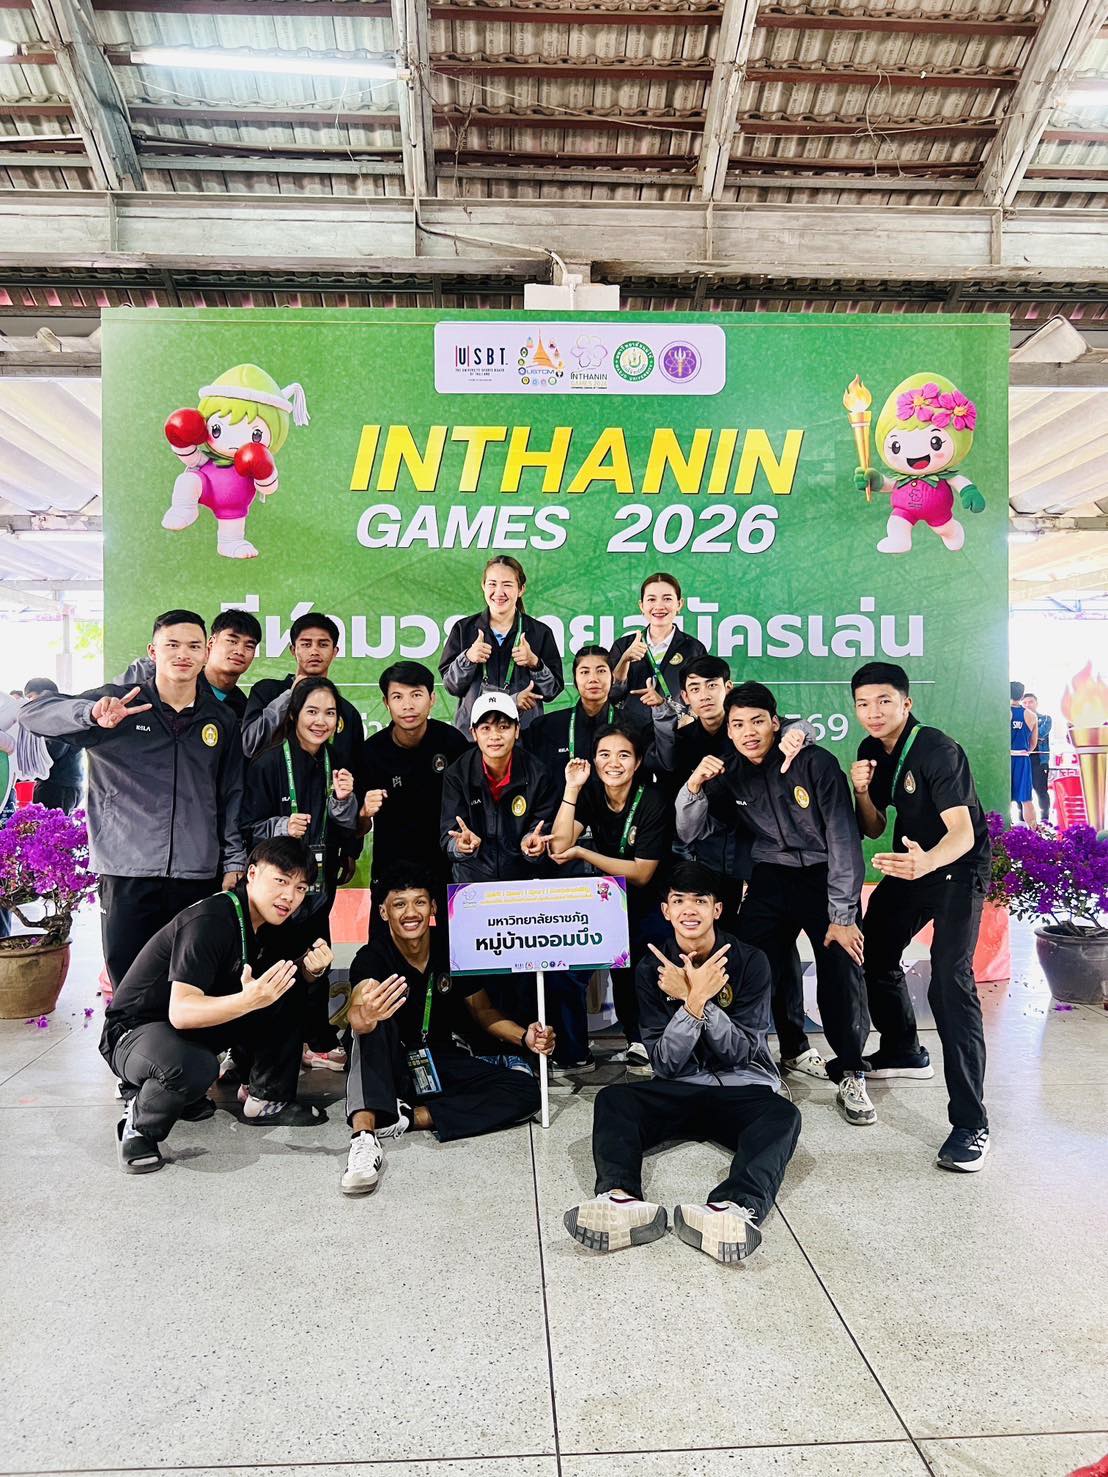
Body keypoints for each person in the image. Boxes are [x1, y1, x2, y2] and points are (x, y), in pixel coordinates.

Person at [564, 862, 800, 1263]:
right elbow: (665, 1063)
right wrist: (693, 1005)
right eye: (679, 901)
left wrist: (696, 999)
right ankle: (620, 1199)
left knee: (784, 1116)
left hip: (743, 1088)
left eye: (700, 901)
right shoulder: (651, 969)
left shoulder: (750, 962)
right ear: (666, 910)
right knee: (614, 1100)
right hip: (678, 1086)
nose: (689, 910)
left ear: (717, 909)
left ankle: (733, 1208)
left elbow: (741, 1052)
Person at [676, 682, 874, 1127]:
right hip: (770, 876)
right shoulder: (729, 771)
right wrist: (693, 786)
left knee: (841, 965)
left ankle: (851, 1070)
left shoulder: (814, 762)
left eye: (757, 722)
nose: (748, 732)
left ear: (775, 722)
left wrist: (843, 914)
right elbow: (690, 831)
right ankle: (766, 1056)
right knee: (751, 961)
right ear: (728, 730)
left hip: (824, 876)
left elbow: (844, 838)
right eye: (738, 724)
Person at [18, 610, 246, 989]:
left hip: (198, 874)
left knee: (191, 985)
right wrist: (90, 713)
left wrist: (234, 859)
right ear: (153, 652)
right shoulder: (118, 704)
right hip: (127, 873)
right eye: (172, 645)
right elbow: (32, 714)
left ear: (206, 652)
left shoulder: (220, 719)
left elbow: (231, 794)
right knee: (130, 986)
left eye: (193, 646)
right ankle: (127, 1030)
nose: (182, 654)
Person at [103, 838, 332, 1172]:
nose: (289, 896)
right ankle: (139, 1125)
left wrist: (311, 971)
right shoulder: (211, 919)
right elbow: (181, 1012)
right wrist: (248, 1000)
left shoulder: (266, 924)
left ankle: (265, 1099)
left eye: (300, 888)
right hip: (135, 1032)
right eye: (281, 881)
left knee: (285, 984)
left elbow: (273, 991)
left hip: (189, 1032)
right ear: (251, 874)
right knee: (195, 1068)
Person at [336, 862, 554, 1196]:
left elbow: (483, 1011)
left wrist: (525, 1036)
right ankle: (364, 1140)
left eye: (420, 902)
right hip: (389, 1062)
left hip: (436, 1058)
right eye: (399, 904)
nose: (411, 913)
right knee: (371, 1027)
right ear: (383, 912)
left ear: (433, 907)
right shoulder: (372, 957)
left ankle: (407, 1118)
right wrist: (365, 1014)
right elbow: (358, 1010)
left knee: (525, 1091)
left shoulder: (450, 950)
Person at [851, 661, 991, 1171]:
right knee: (872, 947)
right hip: (914, 867)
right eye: (863, 704)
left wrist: (927, 862)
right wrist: (861, 791)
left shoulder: (937, 749)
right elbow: (873, 828)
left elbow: (962, 833)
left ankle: (972, 1124)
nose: (873, 712)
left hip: (956, 869)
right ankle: (903, 1050)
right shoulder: (870, 750)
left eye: (884, 701)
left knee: (950, 983)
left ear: (906, 703)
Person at [654, 657, 820, 1079]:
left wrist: (803, 732)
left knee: (774, 952)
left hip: (760, 859)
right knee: (713, 953)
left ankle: (794, 1044)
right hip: (708, 864)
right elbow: (682, 808)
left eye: (712, 685)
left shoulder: (750, 725)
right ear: (685, 697)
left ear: (727, 688)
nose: (705, 695)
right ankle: (716, 1043)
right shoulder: (683, 739)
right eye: (695, 688)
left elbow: (797, 729)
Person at [241, 676, 359, 1071]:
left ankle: (317, 1041)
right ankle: (253, 1055)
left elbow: (348, 828)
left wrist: (345, 801)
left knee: (317, 960)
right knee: (270, 967)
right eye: (312, 711)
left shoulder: (337, 763)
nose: (320, 721)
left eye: (330, 713)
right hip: (274, 892)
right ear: (293, 715)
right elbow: (246, 828)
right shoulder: (269, 762)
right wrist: (280, 826)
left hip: (318, 887)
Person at [549, 725, 672, 1074]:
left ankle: (643, 1042)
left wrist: (585, 854)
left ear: (637, 762)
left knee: (637, 971)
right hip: (607, 901)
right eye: (604, 754)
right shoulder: (590, 793)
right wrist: (572, 789)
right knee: (566, 971)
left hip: (650, 902)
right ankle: (574, 1052)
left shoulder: (652, 800)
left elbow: (642, 873)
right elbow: (558, 846)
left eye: (623, 755)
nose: (613, 763)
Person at [358, 660, 470, 909]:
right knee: (385, 933)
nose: (408, 705)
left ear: (432, 699)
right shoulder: (371, 752)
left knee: (452, 932)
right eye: (397, 697)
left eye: (416, 695)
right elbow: (358, 828)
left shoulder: (452, 742)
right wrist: (364, 812)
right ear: (386, 703)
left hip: (446, 866)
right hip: (391, 868)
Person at [439, 691, 558, 885]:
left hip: (524, 881)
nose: (495, 736)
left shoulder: (539, 774)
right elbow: (449, 835)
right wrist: (460, 846)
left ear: (517, 730)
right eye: (485, 728)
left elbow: (542, 827)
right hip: (471, 882)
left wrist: (533, 842)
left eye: (503, 727)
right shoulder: (457, 774)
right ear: (474, 733)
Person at [439, 556, 564, 733]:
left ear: (521, 589)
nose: (499, 592)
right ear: (483, 586)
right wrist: (468, 658)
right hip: (474, 736)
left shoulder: (539, 632)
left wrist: (535, 664)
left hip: (525, 736)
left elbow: (552, 691)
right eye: (492, 584)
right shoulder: (463, 629)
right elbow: (451, 686)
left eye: (507, 585)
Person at [241, 612, 364, 767]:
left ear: (334, 652)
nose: (314, 651)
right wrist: (290, 696)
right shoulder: (267, 691)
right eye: (306, 644)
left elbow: (356, 770)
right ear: (293, 650)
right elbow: (250, 745)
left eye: (323, 644)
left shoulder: (348, 712)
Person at [120, 608, 262, 720]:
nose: (240, 651)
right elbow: (112, 701)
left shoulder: (242, 706)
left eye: (249, 646)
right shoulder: (156, 676)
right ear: (210, 643)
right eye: (232, 641)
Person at [609, 572, 707, 730]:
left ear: (679, 604)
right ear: (641, 605)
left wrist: (690, 717)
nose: (659, 606)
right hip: (630, 733)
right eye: (651, 599)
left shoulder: (694, 648)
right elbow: (612, 695)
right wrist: (624, 660)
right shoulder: (624, 645)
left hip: (677, 732)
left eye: (667, 599)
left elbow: (703, 695)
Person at [20, 678, 83, 813]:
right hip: (66, 784)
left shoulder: (56, 715)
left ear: (45, 694)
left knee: (48, 824)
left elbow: (53, 751)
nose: (29, 703)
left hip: (57, 786)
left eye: (30, 697)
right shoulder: (66, 710)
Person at [1009, 680, 1037, 826]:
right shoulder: (1031, 716)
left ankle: (1000, 834)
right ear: (1021, 695)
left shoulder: (1003, 713)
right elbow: (1033, 744)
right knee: (1026, 799)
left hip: (1004, 760)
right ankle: (1034, 833)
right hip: (1022, 759)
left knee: (1003, 797)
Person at [1024, 693, 1053, 823]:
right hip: (1023, 759)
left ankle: (1045, 820)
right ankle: (1023, 822)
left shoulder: (1045, 719)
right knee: (1023, 792)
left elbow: (1040, 734)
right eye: (1025, 703)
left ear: (1036, 703)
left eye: (1030, 702)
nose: (1027, 705)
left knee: (1041, 791)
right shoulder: (1018, 719)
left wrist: (1025, 734)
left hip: (1040, 760)